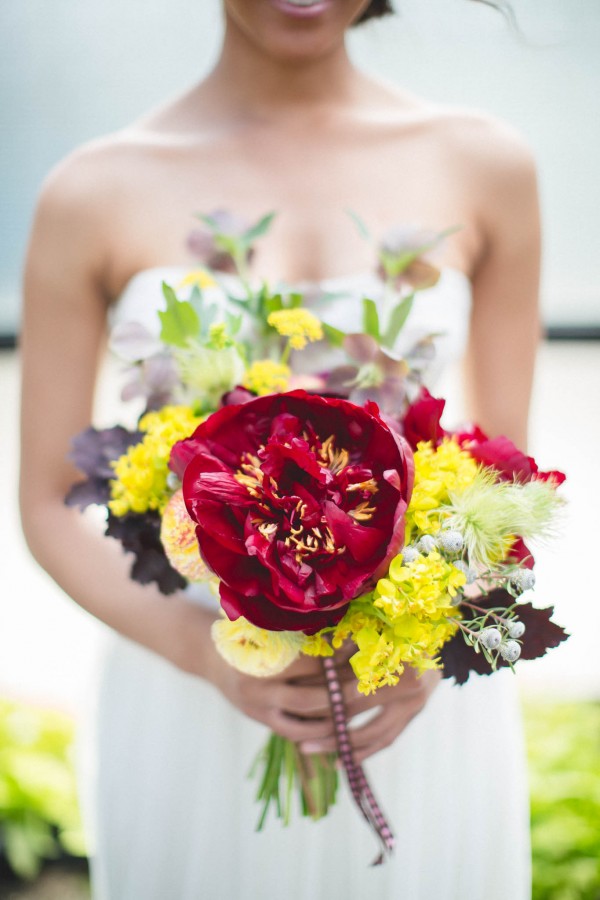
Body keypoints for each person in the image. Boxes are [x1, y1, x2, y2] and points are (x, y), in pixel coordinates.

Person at [20, 0, 540, 897]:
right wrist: (203, 656)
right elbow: (47, 498)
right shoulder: (91, 190)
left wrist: (423, 645)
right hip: (193, 686)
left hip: (411, 698)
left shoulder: (485, 163)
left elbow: (503, 473)